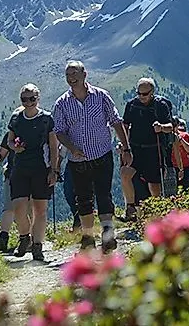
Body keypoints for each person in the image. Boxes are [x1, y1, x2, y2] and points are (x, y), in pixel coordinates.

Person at [52, 60, 130, 252]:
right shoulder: (62, 103)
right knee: (83, 199)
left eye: (74, 73)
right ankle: (88, 238)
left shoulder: (101, 96)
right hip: (78, 160)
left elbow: (116, 121)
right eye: (68, 75)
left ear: (84, 74)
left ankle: (108, 235)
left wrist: (126, 148)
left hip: (102, 154)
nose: (71, 78)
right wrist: (71, 148)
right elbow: (59, 131)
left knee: (104, 195)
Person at [5, 83, 59, 261]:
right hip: (20, 167)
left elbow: (53, 146)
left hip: (41, 168)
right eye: (24, 99)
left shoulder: (46, 119)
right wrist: (15, 148)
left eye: (32, 99)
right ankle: (24, 237)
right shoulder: (16, 118)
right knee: (19, 207)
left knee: (40, 210)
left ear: (38, 98)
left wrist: (54, 170)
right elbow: (10, 141)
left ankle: (37, 246)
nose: (28, 102)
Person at [120, 78, 173, 220]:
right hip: (135, 148)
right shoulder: (131, 105)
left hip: (153, 149)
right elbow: (124, 126)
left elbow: (170, 126)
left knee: (153, 183)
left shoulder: (160, 105)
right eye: (139, 93)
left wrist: (161, 127)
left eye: (145, 94)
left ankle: (156, 212)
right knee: (125, 174)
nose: (141, 97)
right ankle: (130, 208)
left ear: (152, 92)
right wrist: (124, 146)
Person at [0, 132, 32, 252]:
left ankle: (28, 239)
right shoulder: (11, 135)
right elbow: (1, 153)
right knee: (11, 207)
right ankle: (6, 237)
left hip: (32, 174)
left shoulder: (36, 130)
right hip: (13, 175)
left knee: (27, 208)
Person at [170, 117, 189, 192]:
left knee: (186, 190)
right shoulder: (166, 136)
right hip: (172, 167)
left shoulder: (185, 135)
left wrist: (181, 140)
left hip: (185, 166)